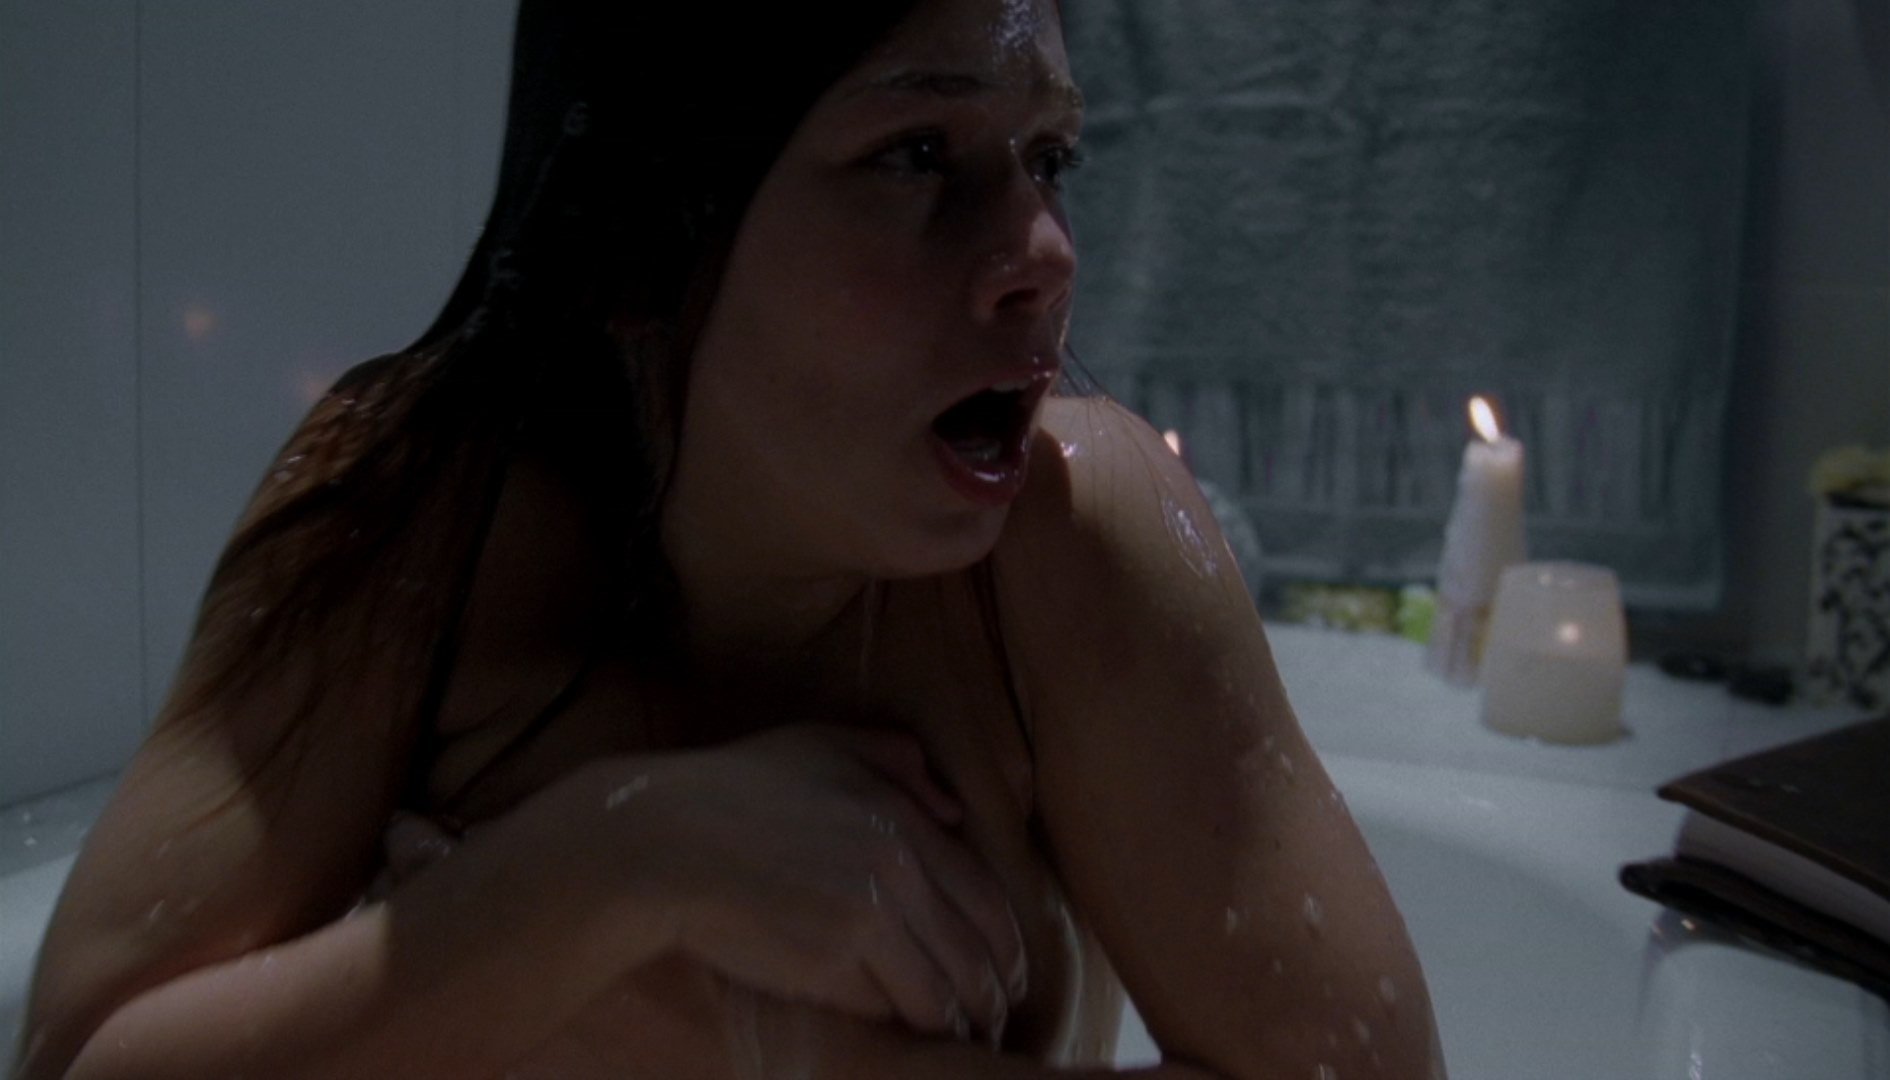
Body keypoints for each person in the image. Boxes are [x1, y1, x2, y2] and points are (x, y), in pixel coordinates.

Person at [14, 1, 1443, 1077]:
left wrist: (754, 1042)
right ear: (642, 236)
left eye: (1047, 157)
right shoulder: (420, 508)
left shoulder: (1077, 540)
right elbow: (78, 1059)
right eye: (918, 155)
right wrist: (612, 866)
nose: (1045, 255)